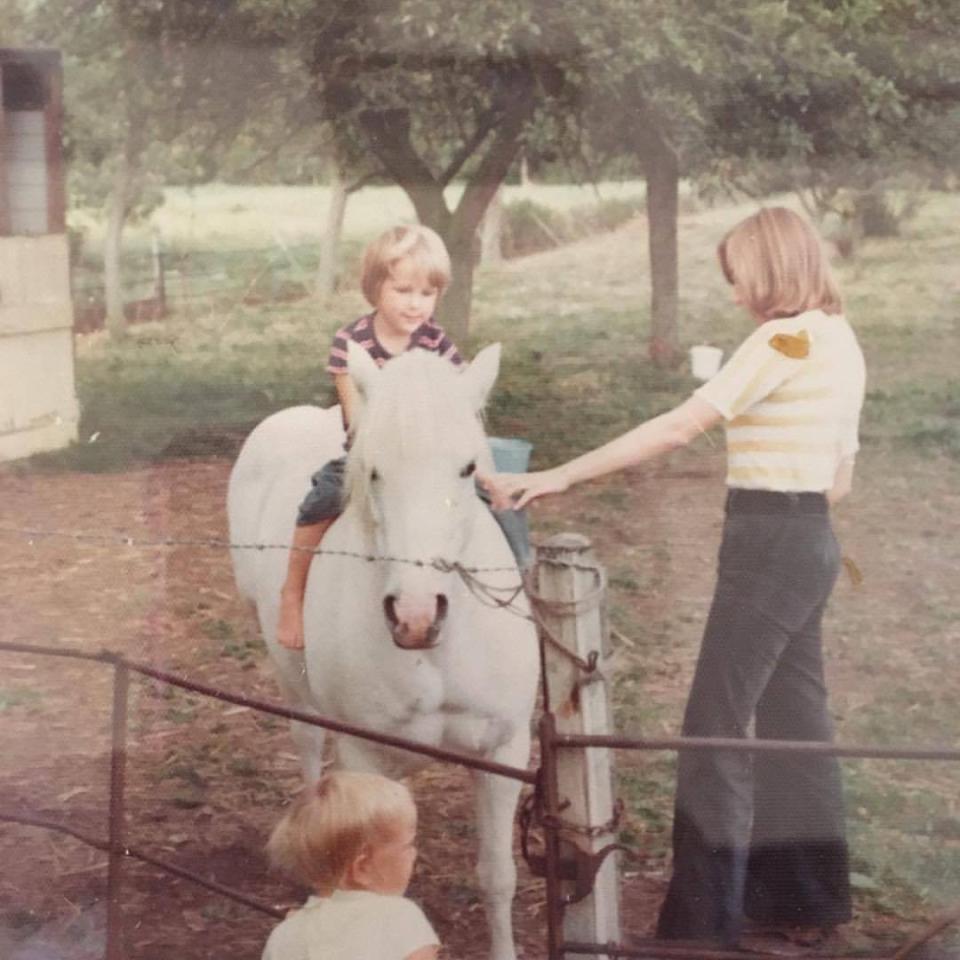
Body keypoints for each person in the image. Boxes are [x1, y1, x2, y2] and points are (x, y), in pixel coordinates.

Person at [486, 206, 865, 947]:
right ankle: (804, 901)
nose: (734, 296)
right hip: (811, 538)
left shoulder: (779, 339)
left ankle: (703, 927)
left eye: (738, 278)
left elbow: (677, 426)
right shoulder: (841, 340)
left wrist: (557, 475)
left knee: (712, 733)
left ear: (771, 268)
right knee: (797, 724)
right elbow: (841, 479)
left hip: (768, 545)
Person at [276, 224, 462, 650]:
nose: (415, 305)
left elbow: (456, 403)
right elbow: (357, 421)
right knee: (321, 499)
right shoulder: (351, 342)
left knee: (485, 500)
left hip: (428, 458)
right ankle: (293, 593)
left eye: (427, 294)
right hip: (373, 456)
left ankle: (507, 586)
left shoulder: (437, 343)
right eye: (403, 290)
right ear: (375, 287)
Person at [262, 770, 439, 960]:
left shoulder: (284, 935)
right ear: (362, 868)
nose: (414, 854)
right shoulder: (400, 918)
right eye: (407, 846)